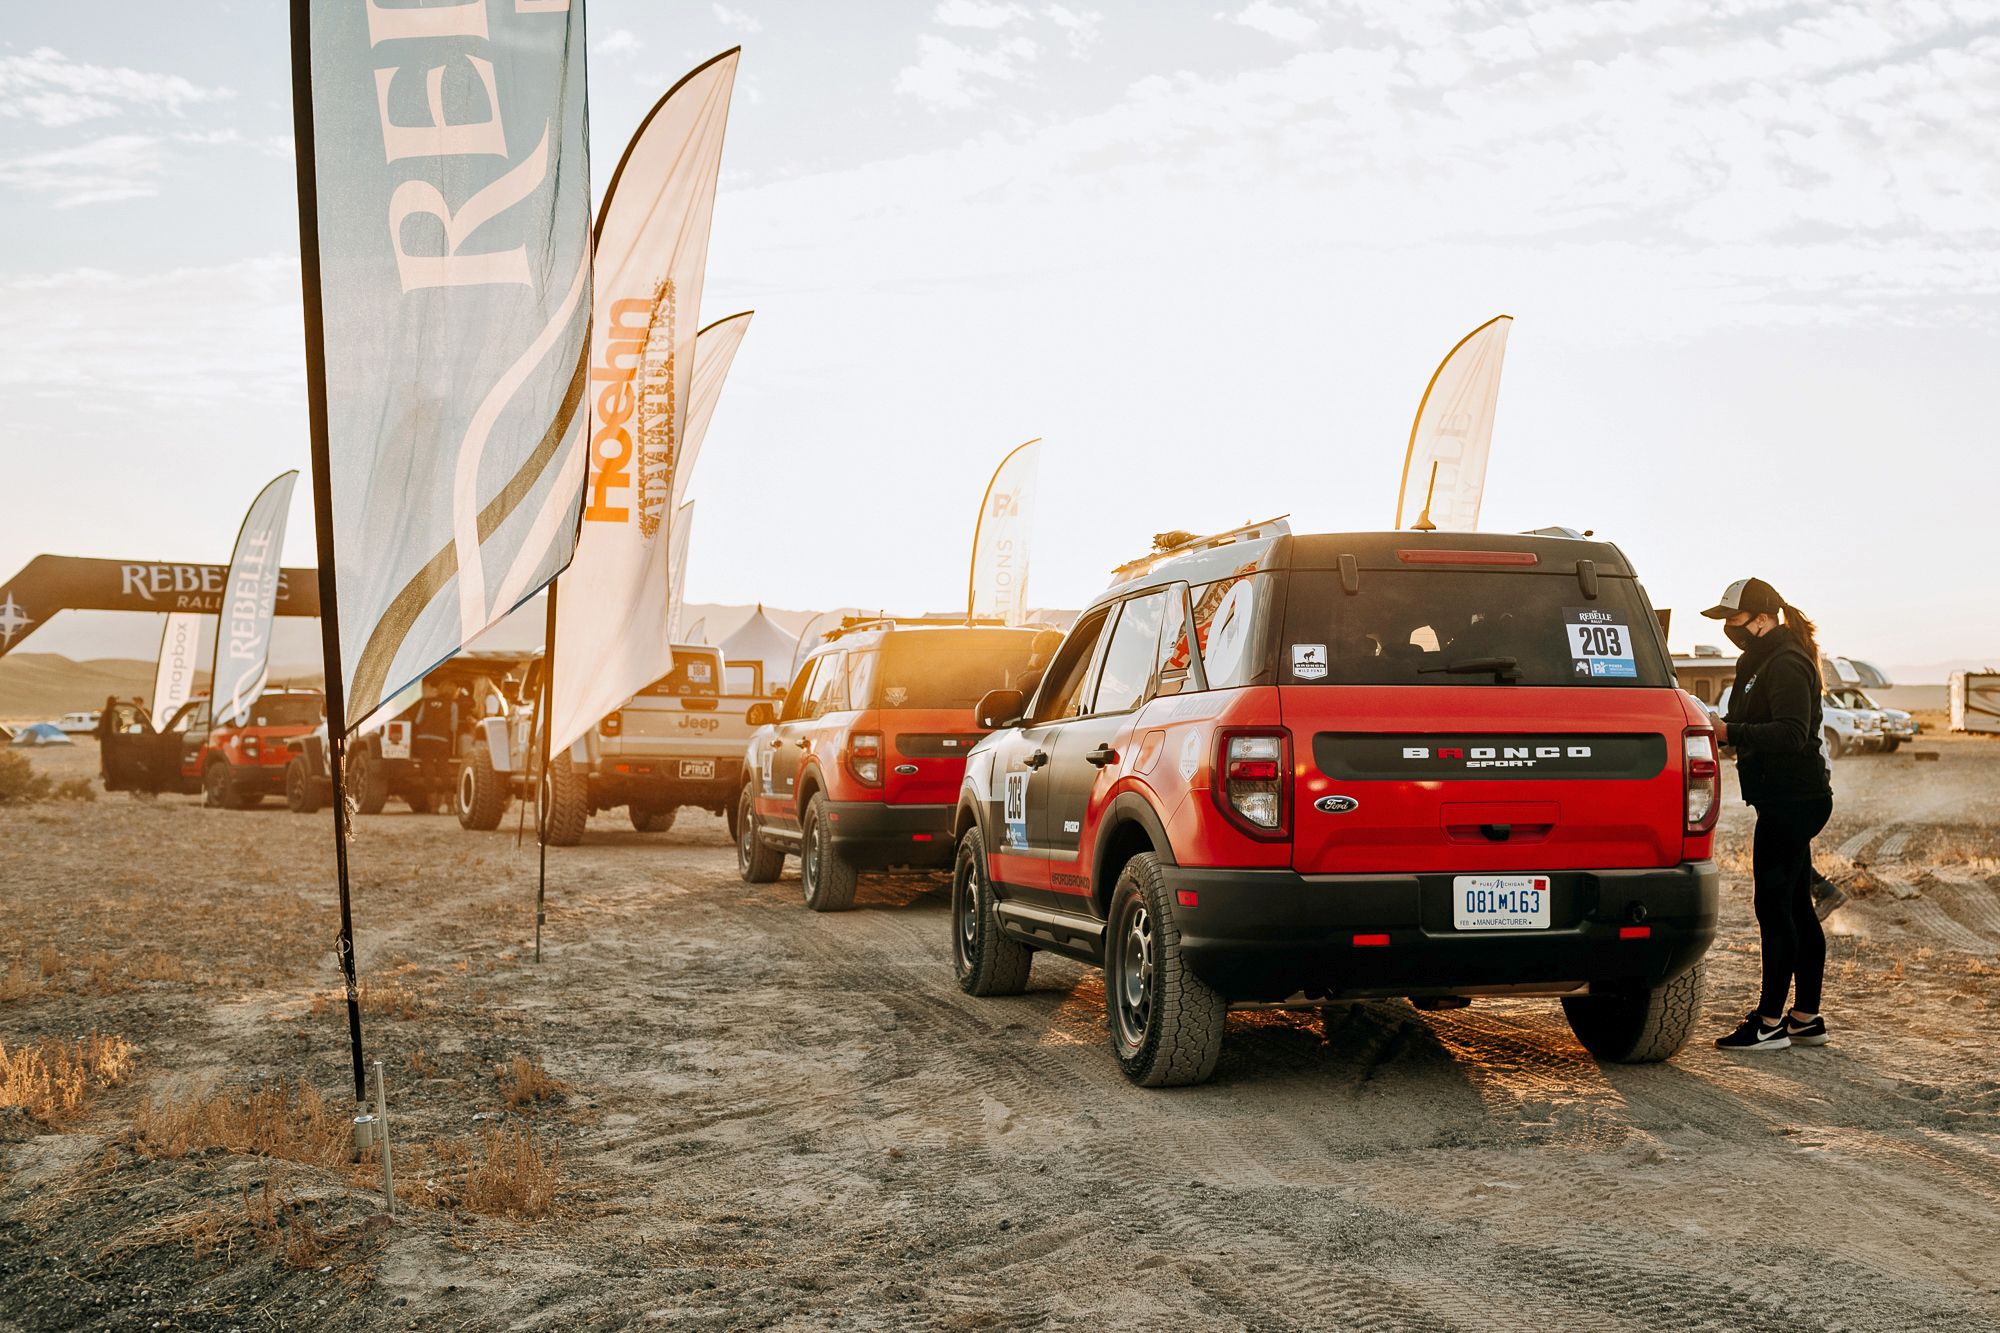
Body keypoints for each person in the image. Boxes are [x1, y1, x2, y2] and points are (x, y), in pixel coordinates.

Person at [1704, 577, 1834, 1052]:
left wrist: (1729, 731)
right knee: (1796, 906)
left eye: (1734, 620)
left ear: (1762, 618)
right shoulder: (1758, 660)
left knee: (1774, 908)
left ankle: (1768, 1023)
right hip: (1784, 799)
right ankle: (1805, 1019)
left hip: (1794, 801)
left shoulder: (1786, 663)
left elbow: (1792, 733)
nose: (1729, 629)